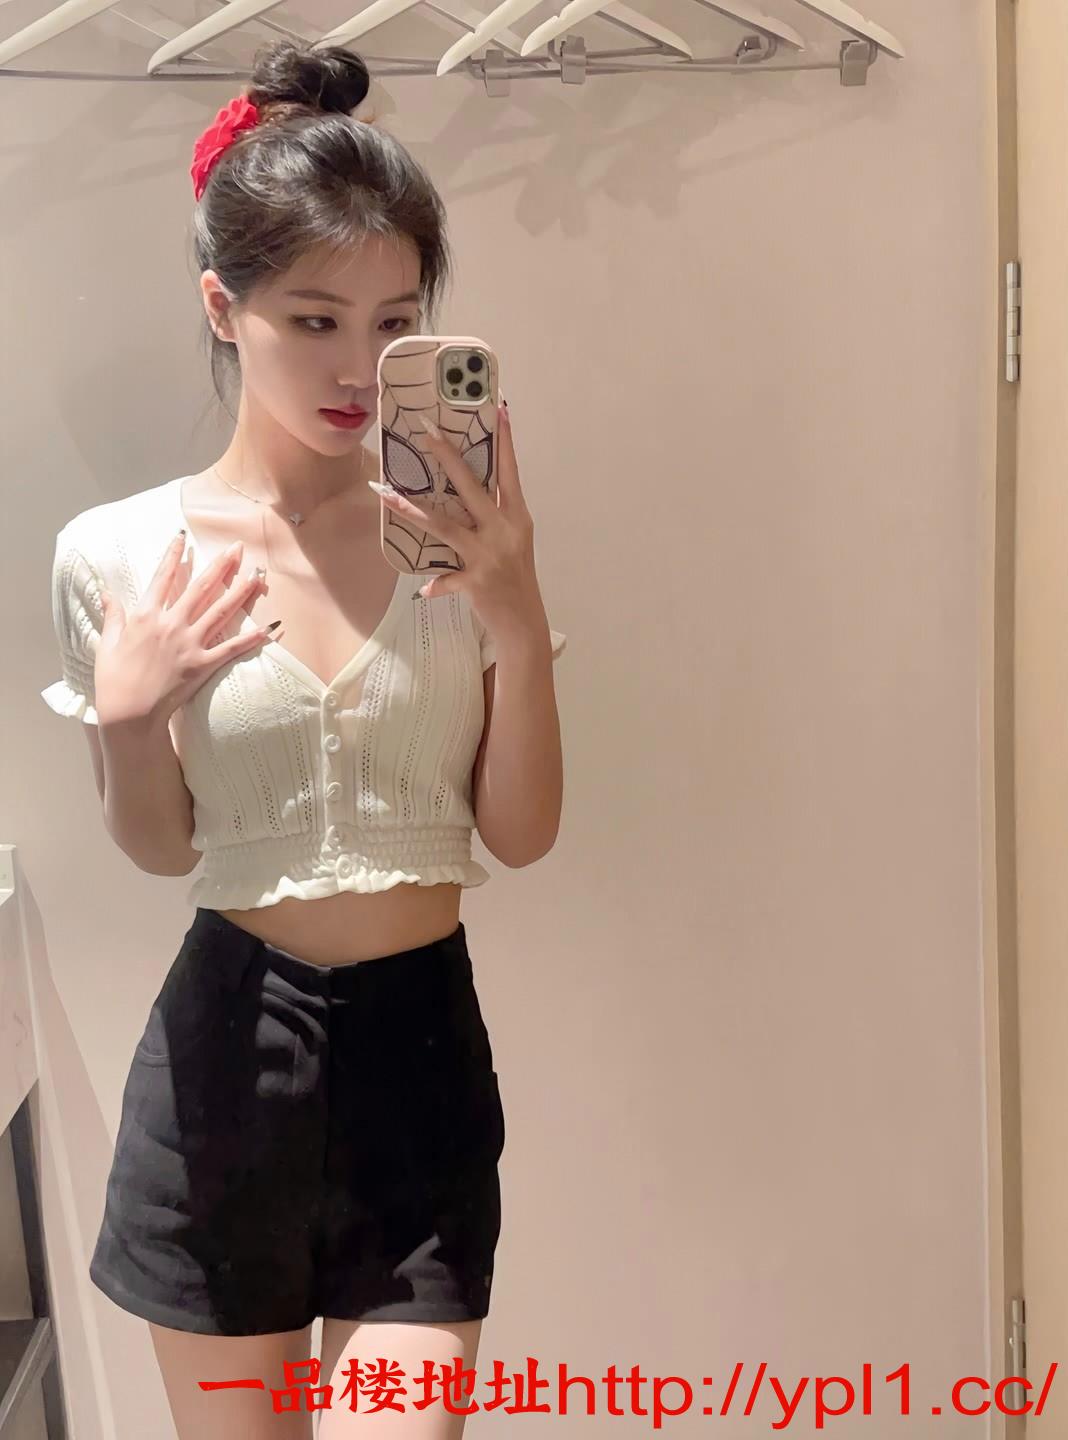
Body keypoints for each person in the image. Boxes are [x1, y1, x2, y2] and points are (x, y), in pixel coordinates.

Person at [40, 37, 566, 1440]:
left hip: (421, 1065)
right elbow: (163, 852)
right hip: (224, 1071)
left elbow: (520, 833)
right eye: (313, 319)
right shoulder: (120, 555)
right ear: (225, 307)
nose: (359, 366)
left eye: (396, 322)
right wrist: (129, 715)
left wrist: (518, 616)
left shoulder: (460, 539)